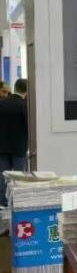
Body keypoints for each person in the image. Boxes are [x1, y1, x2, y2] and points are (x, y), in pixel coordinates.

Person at [0, 77, 28, 206]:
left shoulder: (2, 103)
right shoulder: (24, 105)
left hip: (2, 147)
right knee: (18, 177)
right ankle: (17, 202)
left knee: (3, 176)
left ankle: (3, 202)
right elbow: (28, 126)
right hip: (19, 148)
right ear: (26, 91)